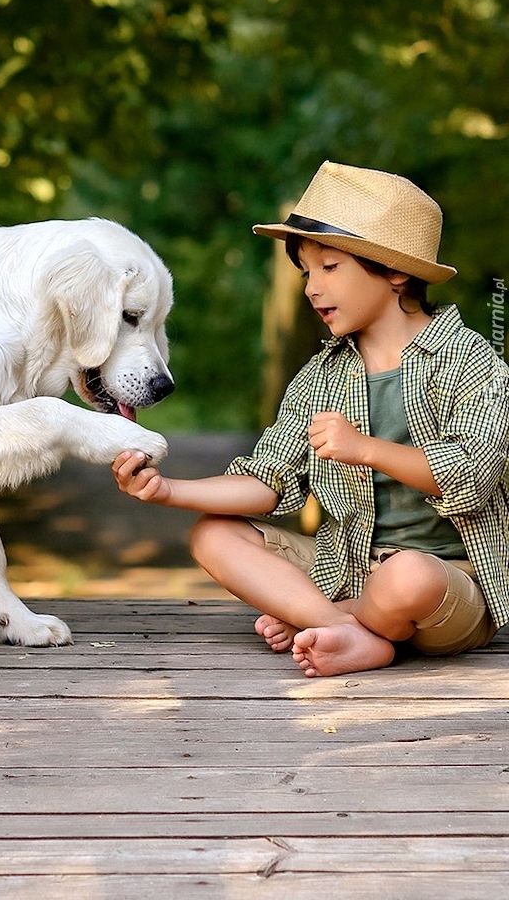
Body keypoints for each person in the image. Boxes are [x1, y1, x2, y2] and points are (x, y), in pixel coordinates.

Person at [112, 161, 509, 678]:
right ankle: (343, 627)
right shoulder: (320, 377)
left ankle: (336, 622)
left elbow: (472, 478)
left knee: (406, 576)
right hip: (345, 571)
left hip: (445, 586)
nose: (311, 289)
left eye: (330, 267)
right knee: (213, 536)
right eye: (306, 272)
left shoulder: (470, 361)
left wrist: (364, 447)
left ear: (395, 271)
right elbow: (266, 481)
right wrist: (168, 490)